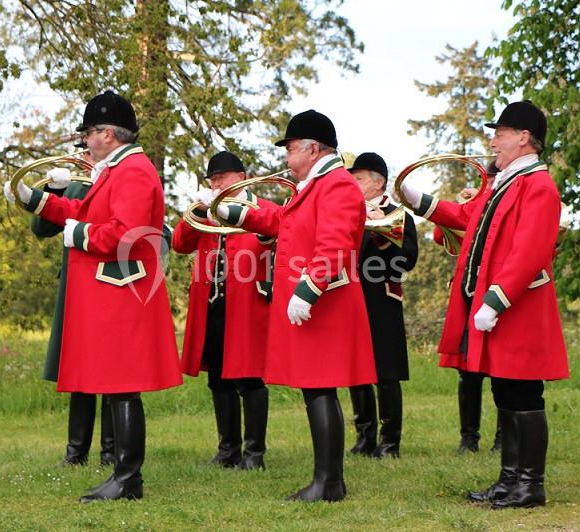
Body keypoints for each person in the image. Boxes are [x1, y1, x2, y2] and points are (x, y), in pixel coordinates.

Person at [4, 90, 183, 502]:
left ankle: (128, 477)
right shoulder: (115, 170)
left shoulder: (133, 171)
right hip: (112, 292)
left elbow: (124, 232)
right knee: (117, 385)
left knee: (123, 387)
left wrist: (78, 235)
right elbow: (83, 212)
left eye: (89, 132)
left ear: (107, 134)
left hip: (123, 292)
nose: (85, 140)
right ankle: (123, 475)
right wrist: (38, 201)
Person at [400, 100, 568, 509]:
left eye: (500, 133)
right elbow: (465, 217)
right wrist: (418, 199)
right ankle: (510, 480)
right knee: (506, 392)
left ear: (524, 137)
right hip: (502, 309)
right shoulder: (506, 182)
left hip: (519, 308)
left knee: (525, 394)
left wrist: (496, 299)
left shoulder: (539, 186)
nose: (493, 141)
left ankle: (531, 484)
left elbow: (529, 252)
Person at [214, 110, 377, 502]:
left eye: (290, 148)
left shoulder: (335, 184)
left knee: (320, 389)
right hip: (317, 302)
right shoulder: (316, 184)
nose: (286, 157)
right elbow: (288, 223)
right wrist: (241, 214)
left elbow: (334, 244)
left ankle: (329, 483)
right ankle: (327, 480)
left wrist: (308, 290)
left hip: (323, 303)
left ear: (312, 147)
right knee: (315, 389)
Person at [172, 151, 274, 470]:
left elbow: (280, 240)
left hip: (249, 303)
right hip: (212, 304)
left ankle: (254, 453)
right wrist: (201, 212)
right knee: (218, 379)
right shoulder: (204, 212)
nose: (216, 184)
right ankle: (227, 449)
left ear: (241, 178)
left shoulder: (263, 208)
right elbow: (179, 243)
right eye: (213, 179)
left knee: (250, 378)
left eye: (222, 178)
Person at [30, 163, 115, 467]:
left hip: (112, 284)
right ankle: (75, 453)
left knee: (110, 372)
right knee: (79, 369)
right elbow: (41, 229)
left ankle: (110, 454)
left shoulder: (122, 180)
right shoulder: (77, 185)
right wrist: (54, 189)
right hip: (77, 287)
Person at [346, 152, 418, 458]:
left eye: (358, 178)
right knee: (356, 372)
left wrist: (382, 233)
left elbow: (407, 260)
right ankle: (365, 438)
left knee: (386, 373)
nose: (352, 183)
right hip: (351, 299)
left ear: (378, 182)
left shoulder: (400, 215)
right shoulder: (348, 213)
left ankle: (390, 443)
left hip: (383, 299)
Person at [433, 162, 503, 455]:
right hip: (469, 293)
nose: (486, 185)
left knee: (502, 371)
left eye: (489, 181)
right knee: (467, 370)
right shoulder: (478, 200)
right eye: (484, 180)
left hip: (498, 292)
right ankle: (468, 437)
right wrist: (464, 206)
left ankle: (503, 436)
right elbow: (442, 239)